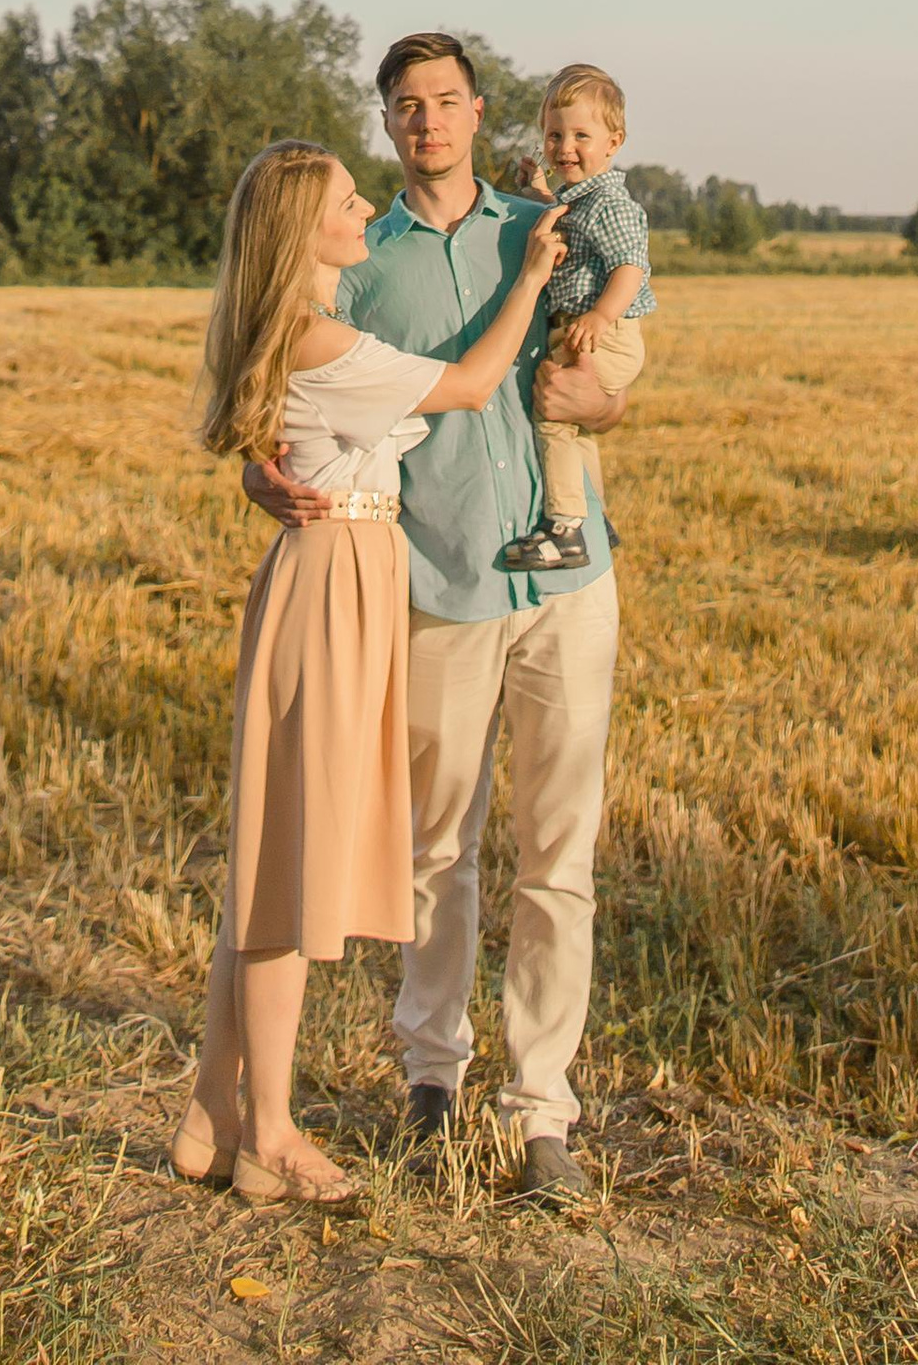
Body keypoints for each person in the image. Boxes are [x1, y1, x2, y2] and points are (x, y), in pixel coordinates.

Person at [246, 35, 634, 1207]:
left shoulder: (545, 226)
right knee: (436, 850)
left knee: (560, 853)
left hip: (567, 582)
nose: (428, 122)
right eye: (407, 106)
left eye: (447, 101)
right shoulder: (356, 260)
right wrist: (261, 475)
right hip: (437, 581)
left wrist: (605, 403)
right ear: (387, 123)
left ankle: (543, 1108)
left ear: (477, 113)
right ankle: (431, 1078)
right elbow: (287, 403)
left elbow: (611, 368)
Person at [175, 138, 565, 1204]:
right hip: (337, 580)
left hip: (336, 569)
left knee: (275, 852)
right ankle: (269, 1136)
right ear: (302, 231)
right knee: (290, 865)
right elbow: (474, 384)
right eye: (348, 202)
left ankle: (211, 1113)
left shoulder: (300, 328)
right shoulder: (324, 341)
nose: (364, 213)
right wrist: (533, 273)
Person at [498, 61, 654, 576]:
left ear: (614, 142)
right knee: (575, 428)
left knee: (554, 420)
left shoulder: (610, 203)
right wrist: (538, 189)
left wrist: (602, 316)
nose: (565, 146)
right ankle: (594, 516)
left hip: (603, 334)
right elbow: (565, 218)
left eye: (581, 136)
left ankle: (564, 528)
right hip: (585, 330)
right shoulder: (581, 199)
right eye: (554, 135)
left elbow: (630, 265)